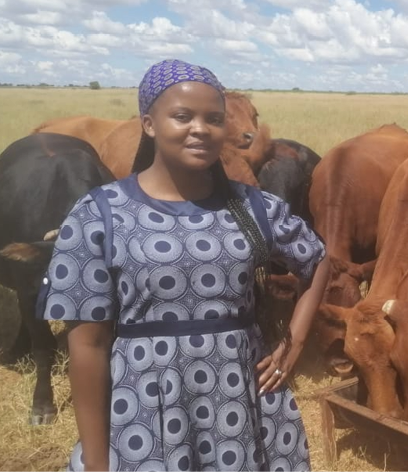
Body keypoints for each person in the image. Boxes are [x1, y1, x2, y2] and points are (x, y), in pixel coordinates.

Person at [37, 58, 328, 472]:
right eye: (182, 116)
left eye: (214, 118)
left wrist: (294, 343)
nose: (200, 129)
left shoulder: (253, 206)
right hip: (145, 409)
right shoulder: (100, 215)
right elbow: (88, 345)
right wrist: (97, 462)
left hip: (243, 407)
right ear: (149, 124)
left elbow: (317, 260)